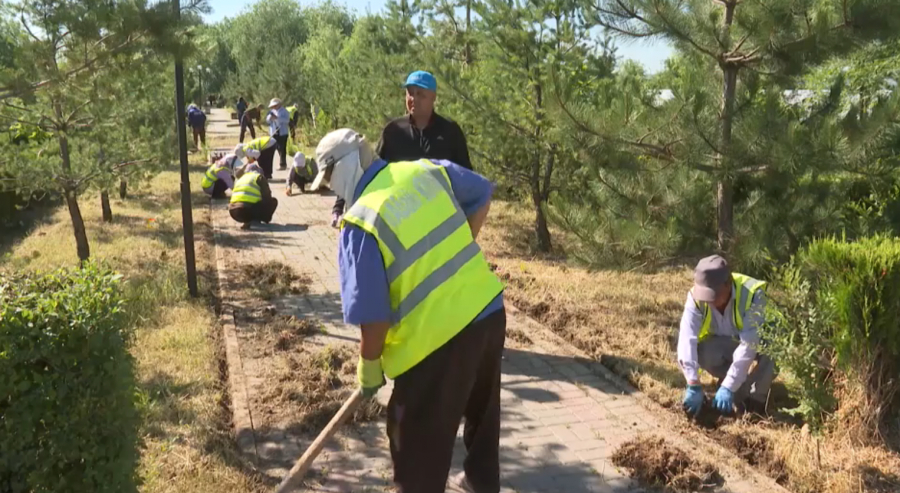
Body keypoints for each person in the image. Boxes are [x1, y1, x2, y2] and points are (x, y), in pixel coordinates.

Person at [312, 128, 506, 493]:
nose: (332, 190)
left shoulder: (359, 223)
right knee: (483, 413)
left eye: (330, 179)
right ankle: (481, 484)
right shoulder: (424, 170)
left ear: (346, 166)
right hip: (488, 313)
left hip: (436, 344)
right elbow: (481, 192)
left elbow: (374, 317)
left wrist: (369, 368)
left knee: (413, 436)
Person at [328, 70, 472, 228]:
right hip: (399, 221)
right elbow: (370, 171)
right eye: (409, 93)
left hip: (439, 219)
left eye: (420, 94)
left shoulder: (450, 132)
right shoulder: (394, 131)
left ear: (433, 97)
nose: (413, 99)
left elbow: (466, 177)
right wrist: (340, 205)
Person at [678, 255, 777, 417]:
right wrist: (693, 382)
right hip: (725, 342)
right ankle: (739, 387)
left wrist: (728, 386)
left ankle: (756, 399)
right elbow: (686, 339)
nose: (708, 301)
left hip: (759, 342)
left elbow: (749, 344)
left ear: (728, 284)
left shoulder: (753, 294)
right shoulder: (695, 298)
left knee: (773, 343)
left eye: (713, 295)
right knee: (703, 351)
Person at [229, 157, 278, 230]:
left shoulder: (241, 178)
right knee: (273, 201)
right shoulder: (258, 177)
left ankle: (248, 220)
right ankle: (259, 219)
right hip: (247, 210)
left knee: (250, 202)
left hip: (233, 211)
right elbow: (267, 196)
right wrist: (266, 214)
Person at [266, 98, 291, 171]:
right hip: (274, 132)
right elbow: (267, 120)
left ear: (279, 104)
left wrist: (277, 118)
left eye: (275, 105)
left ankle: (282, 164)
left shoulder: (284, 111)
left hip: (282, 132)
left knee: (282, 148)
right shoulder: (271, 111)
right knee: (277, 147)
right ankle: (282, 161)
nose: (274, 107)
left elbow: (287, 120)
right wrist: (270, 118)